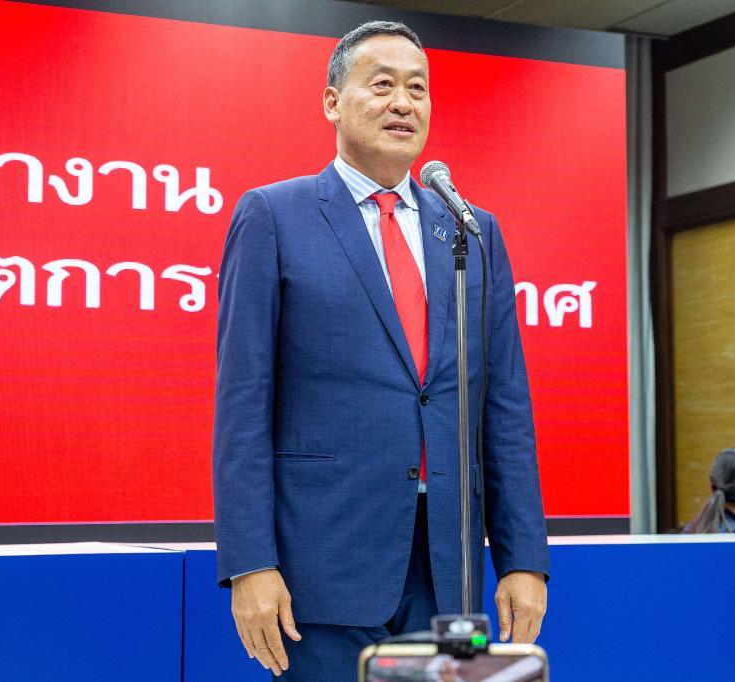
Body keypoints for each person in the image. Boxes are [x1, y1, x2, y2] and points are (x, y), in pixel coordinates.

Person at [212, 20, 549, 681]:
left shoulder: (471, 231)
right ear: (333, 102)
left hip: (447, 566)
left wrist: (523, 560)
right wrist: (250, 563)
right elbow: (243, 402)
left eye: (418, 89)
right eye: (383, 85)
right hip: (320, 565)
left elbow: (505, 406)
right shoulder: (274, 216)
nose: (403, 103)